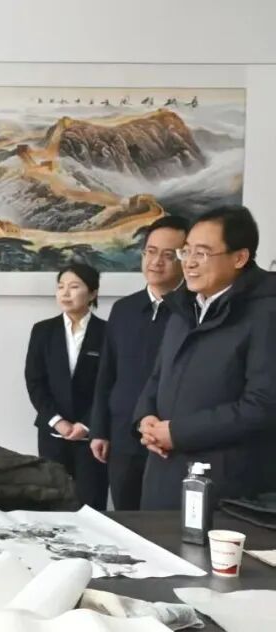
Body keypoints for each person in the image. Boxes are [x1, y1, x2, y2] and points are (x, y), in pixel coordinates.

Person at [134, 205, 276, 509]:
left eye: (202, 253)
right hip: (162, 475)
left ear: (239, 258)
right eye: (186, 251)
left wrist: (178, 433)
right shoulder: (184, 307)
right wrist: (145, 419)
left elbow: (262, 405)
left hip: (225, 487)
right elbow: (158, 376)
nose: (189, 263)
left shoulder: (266, 313)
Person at [90, 216, 186, 510]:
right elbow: (106, 374)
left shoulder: (193, 310)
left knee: (165, 523)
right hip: (123, 436)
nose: (156, 262)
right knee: (126, 517)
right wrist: (99, 430)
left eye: (169, 255)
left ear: (185, 258)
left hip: (169, 439)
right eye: (151, 252)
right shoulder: (124, 309)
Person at [24, 262, 108, 509]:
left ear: (92, 293)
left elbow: (109, 384)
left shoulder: (107, 331)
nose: (65, 293)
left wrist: (86, 424)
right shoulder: (43, 331)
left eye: (74, 287)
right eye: (61, 287)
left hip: (92, 436)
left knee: (91, 504)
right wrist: (57, 421)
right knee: (52, 502)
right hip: (53, 433)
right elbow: (35, 381)